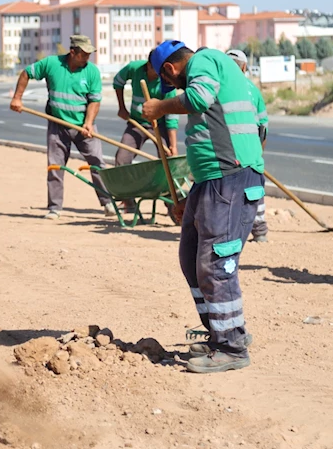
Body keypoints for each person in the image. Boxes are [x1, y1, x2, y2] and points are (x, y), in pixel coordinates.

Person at [142, 41, 264, 374]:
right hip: (212, 179)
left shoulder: (206, 60)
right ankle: (221, 331)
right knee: (191, 256)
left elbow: (198, 98)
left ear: (170, 69)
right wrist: (188, 199)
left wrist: (160, 107)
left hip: (231, 176)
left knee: (215, 262)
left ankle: (232, 347)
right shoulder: (207, 67)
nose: (173, 89)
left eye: (169, 83)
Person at [10, 35, 113, 219]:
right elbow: (27, 73)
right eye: (84, 54)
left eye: (89, 54)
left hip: (84, 126)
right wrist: (17, 97)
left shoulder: (92, 72)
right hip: (58, 125)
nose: (88, 58)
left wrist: (88, 124)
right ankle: (55, 208)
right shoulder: (51, 64)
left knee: (98, 164)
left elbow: (95, 101)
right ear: (73, 52)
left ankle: (107, 203)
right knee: (55, 167)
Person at [112, 53, 179, 210]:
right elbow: (118, 82)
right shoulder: (135, 69)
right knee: (122, 157)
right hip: (137, 123)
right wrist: (122, 107)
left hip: (160, 125)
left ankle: (173, 205)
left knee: (168, 163)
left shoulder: (167, 82)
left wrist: (173, 146)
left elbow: (171, 116)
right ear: (149, 65)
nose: (162, 75)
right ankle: (128, 201)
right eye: (158, 70)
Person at [227, 49, 269, 242]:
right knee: (254, 190)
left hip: (228, 151)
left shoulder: (221, 88)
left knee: (229, 192)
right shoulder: (253, 89)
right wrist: (258, 155)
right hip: (250, 150)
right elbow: (264, 127)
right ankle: (259, 232)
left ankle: (235, 231)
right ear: (244, 67)